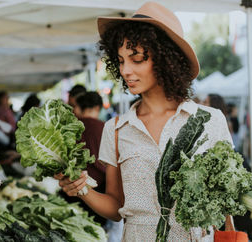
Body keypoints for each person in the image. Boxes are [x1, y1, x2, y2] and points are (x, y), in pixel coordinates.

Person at [55, 2, 232, 241]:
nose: (126, 70)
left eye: (136, 59)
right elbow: (116, 206)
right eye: (120, 60)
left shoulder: (211, 120)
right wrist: (82, 188)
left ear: (165, 58)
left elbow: (229, 201)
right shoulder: (116, 129)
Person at [60, 91, 107, 226]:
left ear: (80, 107)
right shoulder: (104, 128)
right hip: (99, 191)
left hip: (71, 186)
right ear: (97, 108)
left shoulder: (70, 128)